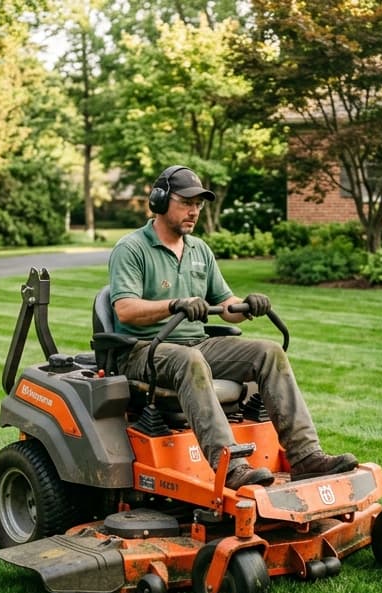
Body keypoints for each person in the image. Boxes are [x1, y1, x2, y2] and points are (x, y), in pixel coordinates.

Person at [108, 165, 357, 490]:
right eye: (186, 203)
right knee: (189, 360)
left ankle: (306, 457)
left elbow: (226, 305)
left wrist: (248, 305)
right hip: (143, 350)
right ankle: (232, 467)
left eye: (199, 204)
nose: (194, 211)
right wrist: (175, 304)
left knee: (268, 352)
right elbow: (125, 310)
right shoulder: (131, 249)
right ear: (160, 201)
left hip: (196, 345)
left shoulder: (199, 250)